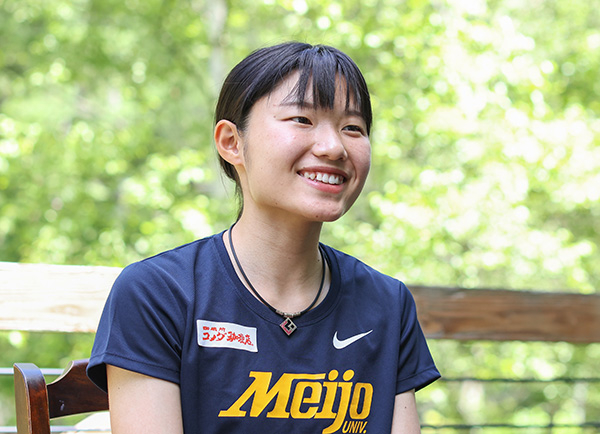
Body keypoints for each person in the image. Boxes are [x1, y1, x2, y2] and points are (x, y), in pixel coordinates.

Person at [87, 41, 440, 434]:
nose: (334, 147)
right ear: (231, 142)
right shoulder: (158, 294)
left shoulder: (387, 304)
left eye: (352, 128)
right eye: (302, 119)